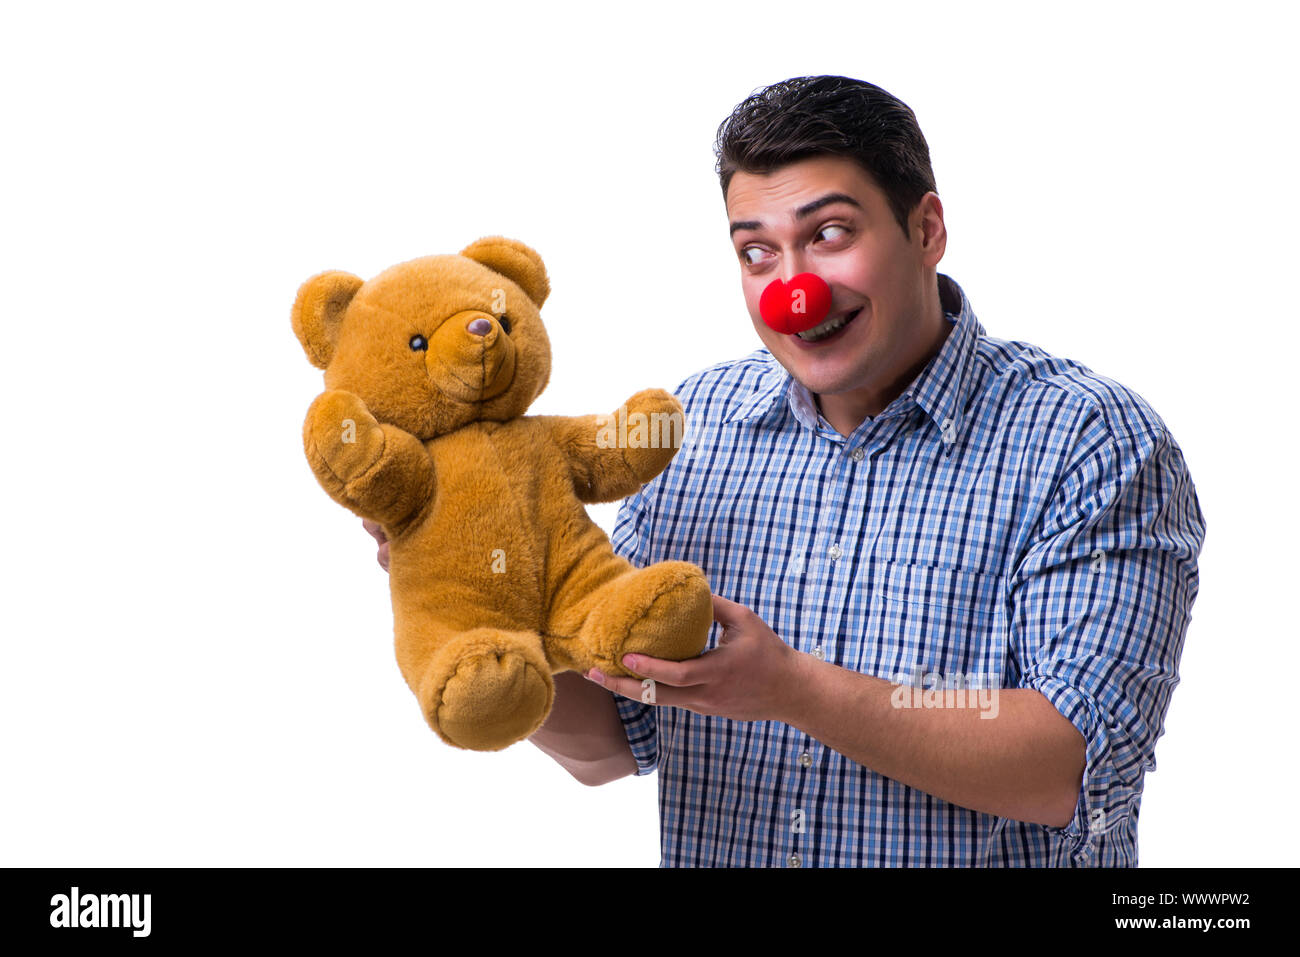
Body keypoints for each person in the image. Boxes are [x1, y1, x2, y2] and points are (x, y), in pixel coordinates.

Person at [365, 76, 1206, 867]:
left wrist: (796, 688)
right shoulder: (690, 428)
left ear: (926, 229)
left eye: (828, 235)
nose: (791, 290)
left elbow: (1069, 759)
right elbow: (621, 736)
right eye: (756, 252)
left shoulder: (1091, 441)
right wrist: (475, 590)